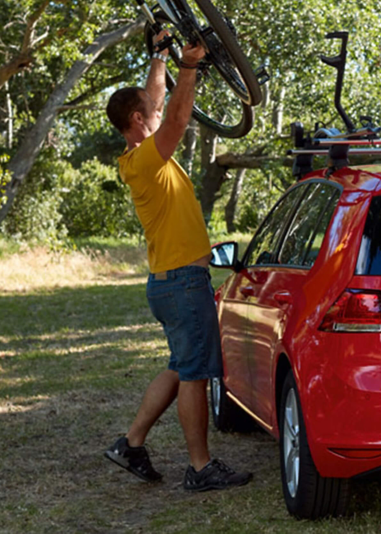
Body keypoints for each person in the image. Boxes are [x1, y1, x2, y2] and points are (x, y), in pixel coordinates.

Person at [103, 31, 251, 492]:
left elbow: (159, 100)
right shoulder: (147, 159)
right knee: (194, 374)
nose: (158, 106)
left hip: (168, 282)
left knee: (179, 366)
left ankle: (131, 442)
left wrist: (160, 56)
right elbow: (179, 117)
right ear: (137, 120)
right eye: (150, 108)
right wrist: (189, 67)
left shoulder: (140, 156)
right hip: (183, 284)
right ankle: (201, 467)